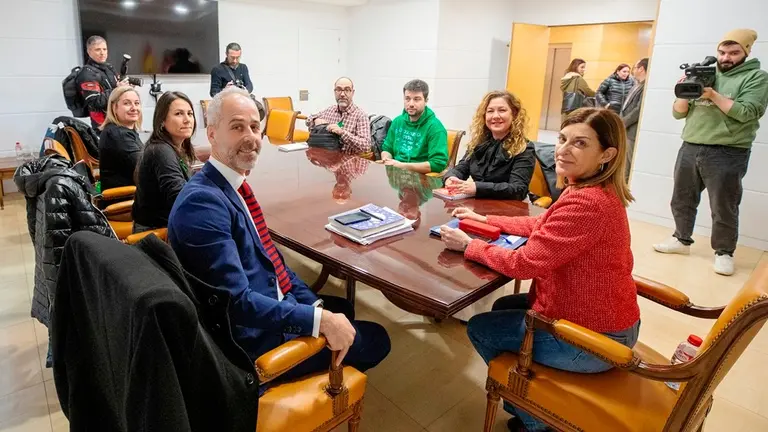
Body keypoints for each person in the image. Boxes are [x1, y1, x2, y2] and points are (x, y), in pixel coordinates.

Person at [167, 87, 390, 384]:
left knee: (342, 308)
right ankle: (313, 383)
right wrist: (319, 321)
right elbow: (238, 304)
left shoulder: (227, 186)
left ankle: (327, 356)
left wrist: (314, 308)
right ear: (211, 134)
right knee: (378, 337)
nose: (251, 136)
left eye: (255, 126)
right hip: (254, 345)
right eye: (237, 127)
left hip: (263, 303)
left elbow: (272, 261)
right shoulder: (202, 204)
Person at [440, 108, 639, 432]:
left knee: (480, 327)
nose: (562, 150)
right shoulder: (590, 189)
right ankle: (530, 396)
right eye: (562, 139)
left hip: (594, 339)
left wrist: (469, 246)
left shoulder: (587, 202)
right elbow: (542, 223)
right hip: (605, 318)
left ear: (607, 154)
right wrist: (486, 220)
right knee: (503, 306)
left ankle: (539, 422)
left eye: (580, 143)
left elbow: (524, 263)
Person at [653, 29, 768, 276]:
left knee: (723, 205)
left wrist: (712, 94)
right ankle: (681, 240)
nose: (726, 57)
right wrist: (684, 88)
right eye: (722, 52)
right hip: (691, 145)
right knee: (682, 198)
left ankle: (724, 252)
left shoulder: (756, 77)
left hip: (728, 151)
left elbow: (747, 112)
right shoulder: (703, 71)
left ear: (746, 52)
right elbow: (678, 112)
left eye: (734, 53)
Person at [443, 91, 535, 200]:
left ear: (514, 114)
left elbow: (518, 189)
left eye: (502, 110)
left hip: (510, 207)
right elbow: (462, 168)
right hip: (480, 202)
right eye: (490, 111)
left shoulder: (524, 147)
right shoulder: (478, 142)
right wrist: (451, 177)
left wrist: (477, 187)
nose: (495, 116)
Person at [132, 91, 197, 233]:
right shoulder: (161, 151)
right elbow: (180, 197)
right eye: (179, 114)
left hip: (170, 227)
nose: (187, 120)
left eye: (190, 114)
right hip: (158, 235)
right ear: (162, 120)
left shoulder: (172, 148)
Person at [380, 79, 448, 174]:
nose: (411, 104)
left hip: (420, 180)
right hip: (395, 176)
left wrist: (402, 166)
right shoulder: (397, 121)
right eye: (407, 98)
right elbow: (387, 149)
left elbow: (438, 164)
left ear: (426, 100)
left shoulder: (435, 128)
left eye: (416, 99)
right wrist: (386, 159)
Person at [306, 77, 372, 155]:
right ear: (334, 92)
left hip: (348, 163)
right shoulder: (330, 110)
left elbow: (366, 146)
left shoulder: (360, 116)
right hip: (327, 160)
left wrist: (342, 133)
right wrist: (315, 120)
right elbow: (308, 120)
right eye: (339, 90)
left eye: (347, 90)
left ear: (352, 92)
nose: (342, 94)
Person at [76, 36, 126, 131]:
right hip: (103, 126)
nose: (102, 53)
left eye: (104, 49)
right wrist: (116, 90)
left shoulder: (109, 68)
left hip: (118, 121)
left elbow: (116, 89)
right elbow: (94, 102)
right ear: (89, 52)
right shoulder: (87, 74)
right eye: (98, 49)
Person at [98, 87, 143, 191]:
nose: (134, 108)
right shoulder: (118, 135)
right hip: (126, 199)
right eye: (127, 103)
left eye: (137, 103)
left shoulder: (120, 131)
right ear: (114, 107)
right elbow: (145, 168)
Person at [620, 58, 649, 181]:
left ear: (641, 68)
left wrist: (623, 122)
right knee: (624, 163)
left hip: (631, 130)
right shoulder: (637, 84)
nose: (633, 71)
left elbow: (638, 110)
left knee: (629, 164)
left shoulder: (645, 87)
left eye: (635, 67)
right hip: (626, 129)